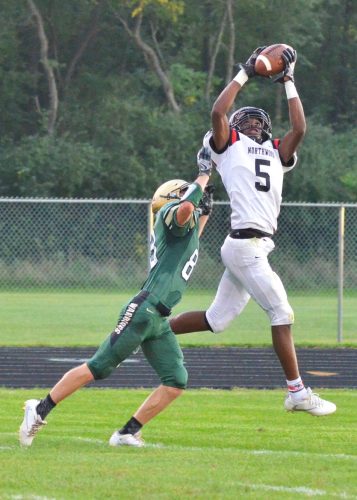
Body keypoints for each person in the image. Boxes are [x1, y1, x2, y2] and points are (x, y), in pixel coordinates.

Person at [170, 46, 336, 416]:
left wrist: (288, 80)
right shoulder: (229, 145)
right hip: (245, 245)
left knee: (217, 320)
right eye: (247, 121)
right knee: (282, 312)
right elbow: (217, 112)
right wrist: (246, 72)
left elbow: (300, 128)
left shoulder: (278, 152)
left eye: (260, 122)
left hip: (253, 246)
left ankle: (149, 332)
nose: (254, 125)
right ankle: (296, 391)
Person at [19, 147, 214, 448]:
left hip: (158, 318)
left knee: (176, 380)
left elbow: (193, 233)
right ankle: (39, 408)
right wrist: (202, 177)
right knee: (98, 367)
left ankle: (127, 432)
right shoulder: (169, 214)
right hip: (144, 310)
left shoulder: (181, 234)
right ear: (175, 199)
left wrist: (206, 211)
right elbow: (186, 211)